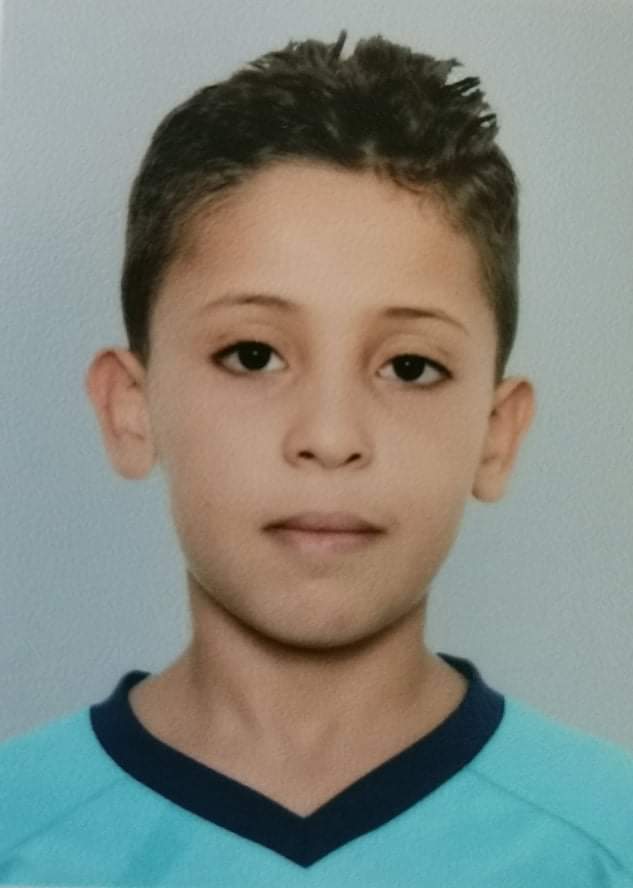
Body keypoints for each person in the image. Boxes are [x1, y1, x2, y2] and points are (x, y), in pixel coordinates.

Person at [1, 29, 632, 887]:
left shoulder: (605, 840)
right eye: (252, 355)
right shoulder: (20, 834)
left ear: (496, 433)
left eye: (409, 367)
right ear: (130, 410)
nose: (331, 437)